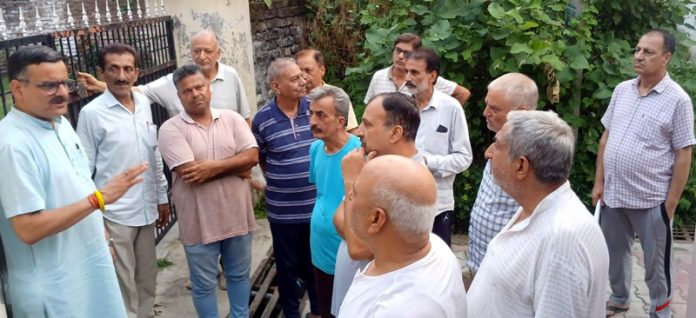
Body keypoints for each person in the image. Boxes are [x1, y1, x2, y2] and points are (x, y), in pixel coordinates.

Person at [0, 45, 147, 317]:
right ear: (18, 89)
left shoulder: (60, 123)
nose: (63, 93)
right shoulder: (12, 145)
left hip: (91, 269)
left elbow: (79, 183)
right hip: (56, 289)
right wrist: (99, 200)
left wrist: (104, 239)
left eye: (64, 83)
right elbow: (28, 229)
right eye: (49, 86)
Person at [592, 29, 695, 318]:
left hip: (652, 199)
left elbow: (683, 153)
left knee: (655, 265)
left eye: (648, 52)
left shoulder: (678, 100)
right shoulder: (622, 90)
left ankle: (661, 311)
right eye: (638, 50)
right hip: (614, 193)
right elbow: (605, 137)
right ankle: (620, 297)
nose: (639, 56)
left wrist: (670, 204)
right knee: (615, 254)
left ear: (666, 58)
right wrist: (599, 182)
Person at [467, 110, 609, 317]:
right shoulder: (534, 208)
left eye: (497, 145)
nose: (488, 153)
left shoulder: (562, 241)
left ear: (521, 166)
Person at [76, 43, 169, 318]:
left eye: (127, 69)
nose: (121, 76)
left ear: (137, 73)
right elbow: (84, 169)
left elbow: (153, 152)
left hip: (146, 208)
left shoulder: (143, 104)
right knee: (122, 284)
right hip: (115, 215)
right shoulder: (91, 114)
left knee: (147, 278)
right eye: (113, 69)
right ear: (102, 73)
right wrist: (95, 216)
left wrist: (162, 196)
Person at [158, 64, 258, 318]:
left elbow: (253, 156)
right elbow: (191, 173)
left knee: (238, 276)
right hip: (199, 223)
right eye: (187, 91)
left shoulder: (232, 119)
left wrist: (214, 167)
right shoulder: (171, 129)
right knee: (203, 286)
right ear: (179, 96)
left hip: (237, 217)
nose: (195, 94)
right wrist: (237, 166)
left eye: (199, 87)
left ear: (209, 87)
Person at [338, 155, 467, 318]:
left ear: (376, 219)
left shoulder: (394, 310)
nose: (348, 196)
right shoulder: (434, 245)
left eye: (354, 193)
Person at [330, 92, 422, 316]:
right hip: (350, 293)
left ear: (395, 132)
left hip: (373, 304)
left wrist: (351, 181)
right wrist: (356, 230)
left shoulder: (410, 182)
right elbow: (338, 218)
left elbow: (358, 248)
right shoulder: (374, 164)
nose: (359, 131)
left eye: (368, 124)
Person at [251, 57, 320, 318]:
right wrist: (284, 179)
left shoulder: (315, 109)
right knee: (287, 267)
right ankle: (291, 312)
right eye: (295, 78)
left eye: (302, 75)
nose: (303, 81)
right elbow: (262, 157)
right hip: (283, 212)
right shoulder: (263, 120)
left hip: (316, 208)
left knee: (317, 264)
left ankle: (318, 310)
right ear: (276, 86)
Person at [78, 29, 251, 124]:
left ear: (218, 53)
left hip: (231, 161)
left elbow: (244, 117)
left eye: (208, 51)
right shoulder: (174, 81)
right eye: (197, 51)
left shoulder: (230, 75)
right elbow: (140, 91)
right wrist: (101, 85)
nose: (202, 56)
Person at [466, 73, 538, 281]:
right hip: (482, 260)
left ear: (522, 113)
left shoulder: (534, 152)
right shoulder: (504, 139)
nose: (485, 112)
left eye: (494, 108)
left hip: (507, 269)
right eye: (487, 105)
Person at [405, 48, 472, 246]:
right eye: (407, 71)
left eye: (415, 72)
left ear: (432, 76)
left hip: (437, 206)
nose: (408, 77)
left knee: (436, 264)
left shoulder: (451, 108)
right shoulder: (398, 105)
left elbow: (464, 157)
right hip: (401, 203)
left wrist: (428, 162)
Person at [307, 85, 362, 318]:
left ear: (341, 121)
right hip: (319, 245)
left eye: (321, 115)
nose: (312, 121)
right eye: (311, 113)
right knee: (325, 307)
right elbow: (320, 192)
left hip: (348, 249)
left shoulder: (359, 153)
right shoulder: (315, 149)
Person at [363, 33, 470, 105]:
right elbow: (369, 108)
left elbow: (463, 93)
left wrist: (443, 117)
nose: (400, 56)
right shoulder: (379, 76)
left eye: (406, 53)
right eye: (398, 50)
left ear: (416, 55)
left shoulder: (425, 79)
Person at [295, 48, 358, 132]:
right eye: (299, 71)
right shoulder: (292, 99)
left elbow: (352, 131)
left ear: (322, 70)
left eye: (308, 70)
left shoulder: (337, 96)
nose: (303, 76)